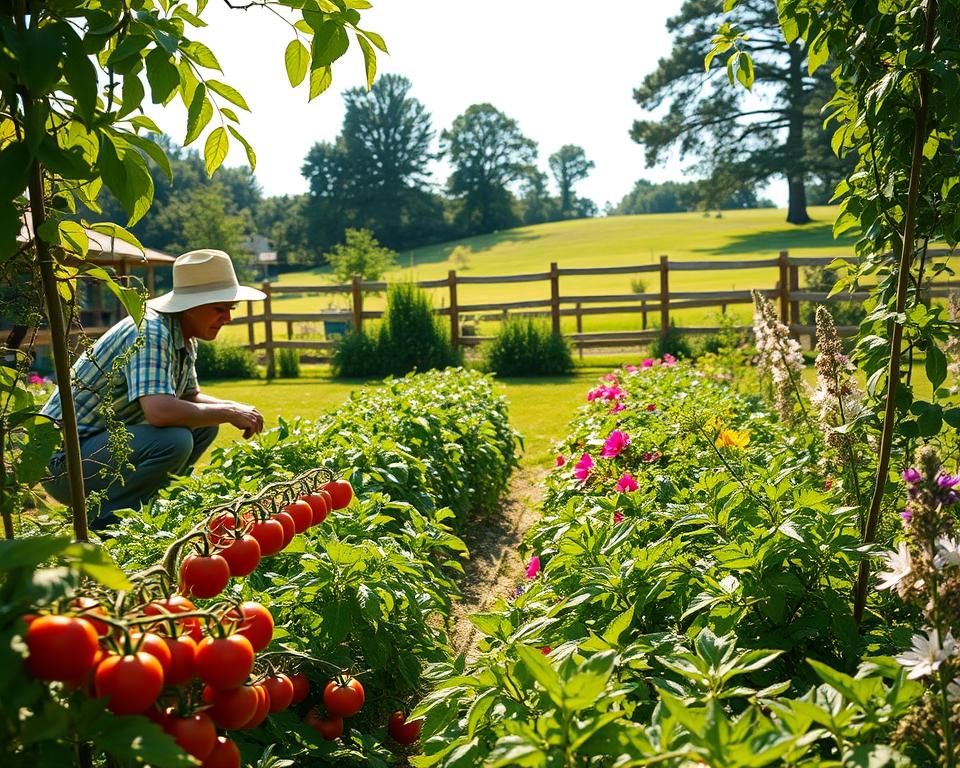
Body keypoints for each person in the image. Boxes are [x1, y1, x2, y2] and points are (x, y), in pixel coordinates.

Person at [42, 249, 266, 531]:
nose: (228, 319)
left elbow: (188, 398)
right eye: (219, 309)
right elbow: (159, 411)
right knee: (175, 440)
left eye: (229, 309)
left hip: (91, 450)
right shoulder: (150, 331)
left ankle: (150, 508)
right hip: (64, 464)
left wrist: (235, 409)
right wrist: (228, 411)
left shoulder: (181, 334)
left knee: (206, 425)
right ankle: (109, 522)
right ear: (189, 306)